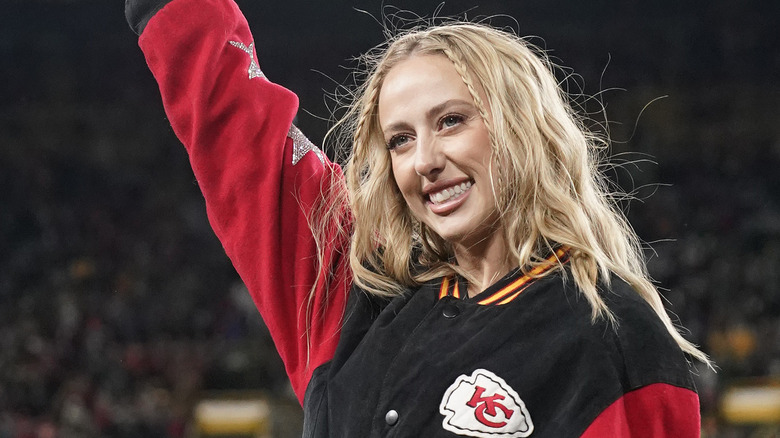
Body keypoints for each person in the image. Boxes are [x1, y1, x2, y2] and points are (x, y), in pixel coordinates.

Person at [125, 0, 711, 436]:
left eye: (452, 120)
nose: (425, 161)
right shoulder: (355, 294)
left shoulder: (616, 339)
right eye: (400, 139)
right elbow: (238, 131)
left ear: (521, 128)